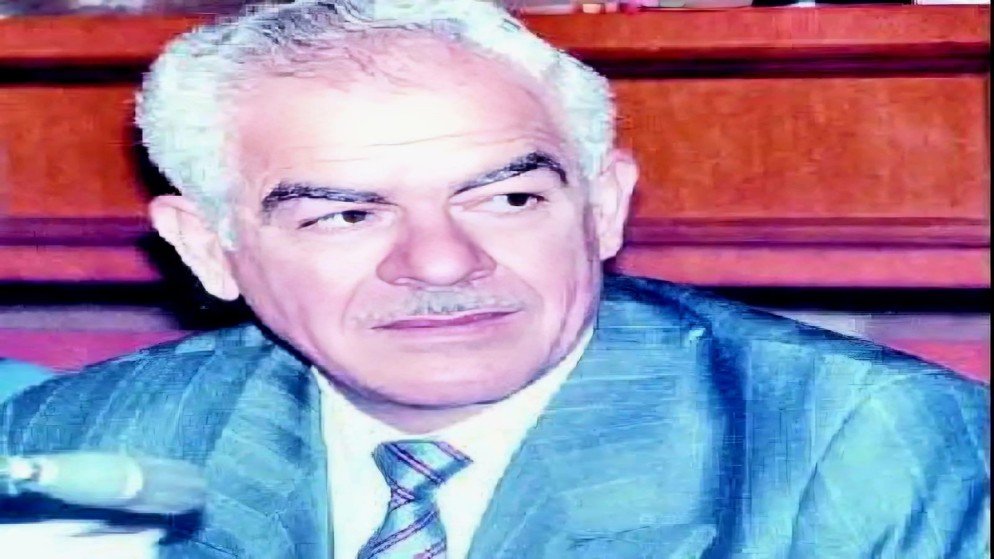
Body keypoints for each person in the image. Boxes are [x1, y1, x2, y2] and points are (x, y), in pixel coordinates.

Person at [0, 1, 988, 557]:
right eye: (345, 214)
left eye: (508, 198)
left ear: (602, 206)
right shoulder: (74, 442)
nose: (440, 261)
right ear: (210, 248)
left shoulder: (871, 448)